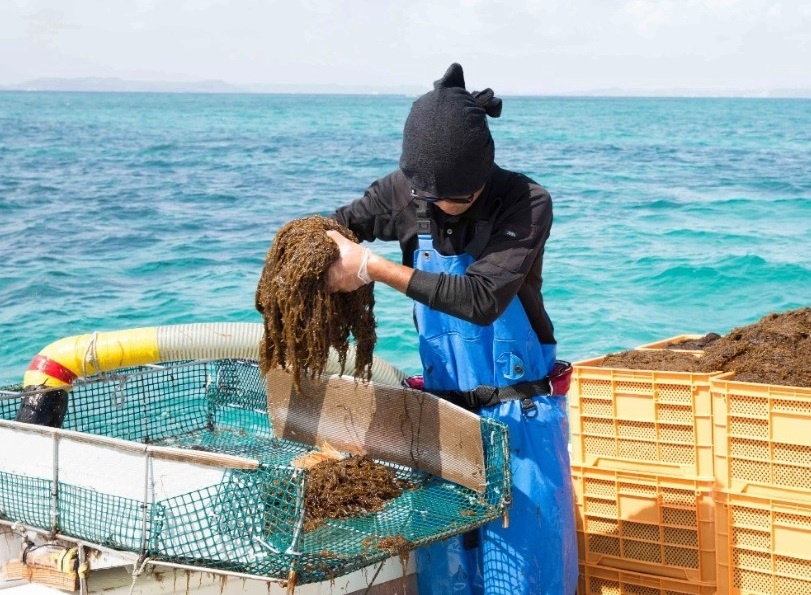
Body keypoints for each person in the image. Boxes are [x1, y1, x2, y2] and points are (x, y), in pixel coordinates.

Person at [324, 63, 577, 595]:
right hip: (441, 423)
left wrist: (372, 268)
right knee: (449, 578)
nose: (445, 208)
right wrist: (318, 259)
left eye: (460, 197)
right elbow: (334, 228)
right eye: (433, 199)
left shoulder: (527, 203)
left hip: (520, 422)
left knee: (524, 574)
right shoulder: (403, 194)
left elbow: (482, 300)